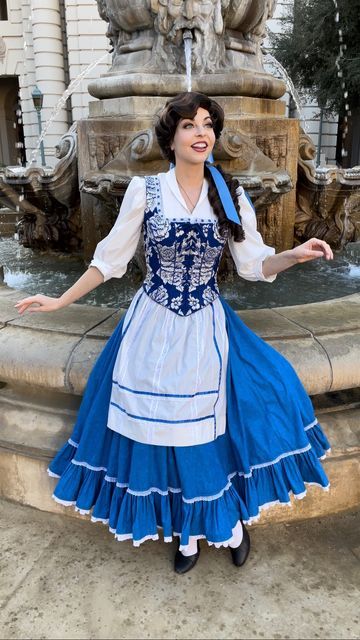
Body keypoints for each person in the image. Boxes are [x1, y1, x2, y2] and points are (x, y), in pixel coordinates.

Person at [15, 92, 332, 575]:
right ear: (171, 137)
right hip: (152, 324)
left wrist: (294, 254)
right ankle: (189, 531)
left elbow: (252, 266)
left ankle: (223, 524)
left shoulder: (229, 194)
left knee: (229, 416)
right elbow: (110, 260)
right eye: (189, 125)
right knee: (162, 435)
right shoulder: (146, 191)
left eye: (207, 124)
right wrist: (60, 301)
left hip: (205, 322)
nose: (201, 132)